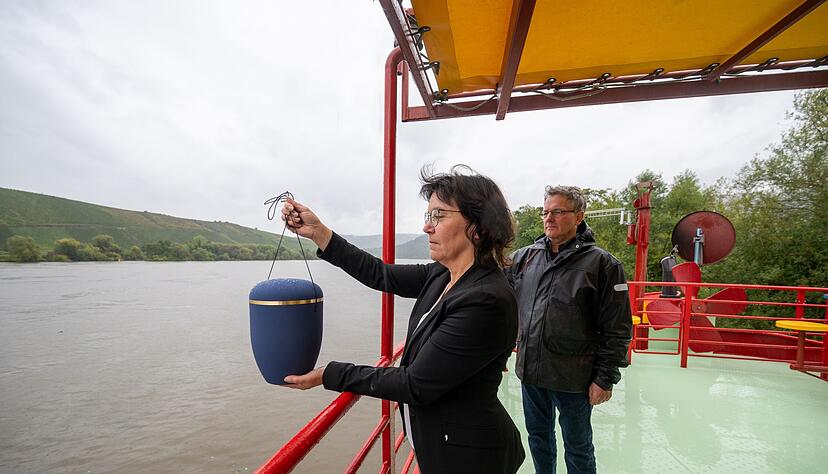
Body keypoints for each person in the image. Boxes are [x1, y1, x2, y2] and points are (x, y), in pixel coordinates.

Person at [281, 166, 525, 473]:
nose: (427, 227)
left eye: (439, 215)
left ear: (478, 226)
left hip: (470, 458)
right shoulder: (443, 275)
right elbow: (379, 274)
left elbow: (415, 384)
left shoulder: (486, 300)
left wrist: (329, 374)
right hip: (442, 445)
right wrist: (319, 233)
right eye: (428, 216)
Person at [505, 185, 632, 474]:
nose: (549, 218)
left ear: (579, 217)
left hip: (574, 377)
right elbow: (501, 304)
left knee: (578, 447)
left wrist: (605, 379)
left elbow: (618, 328)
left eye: (558, 212)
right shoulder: (524, 258)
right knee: (538, 439)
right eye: (546, 212)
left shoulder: (603, 264)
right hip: (530, 372)